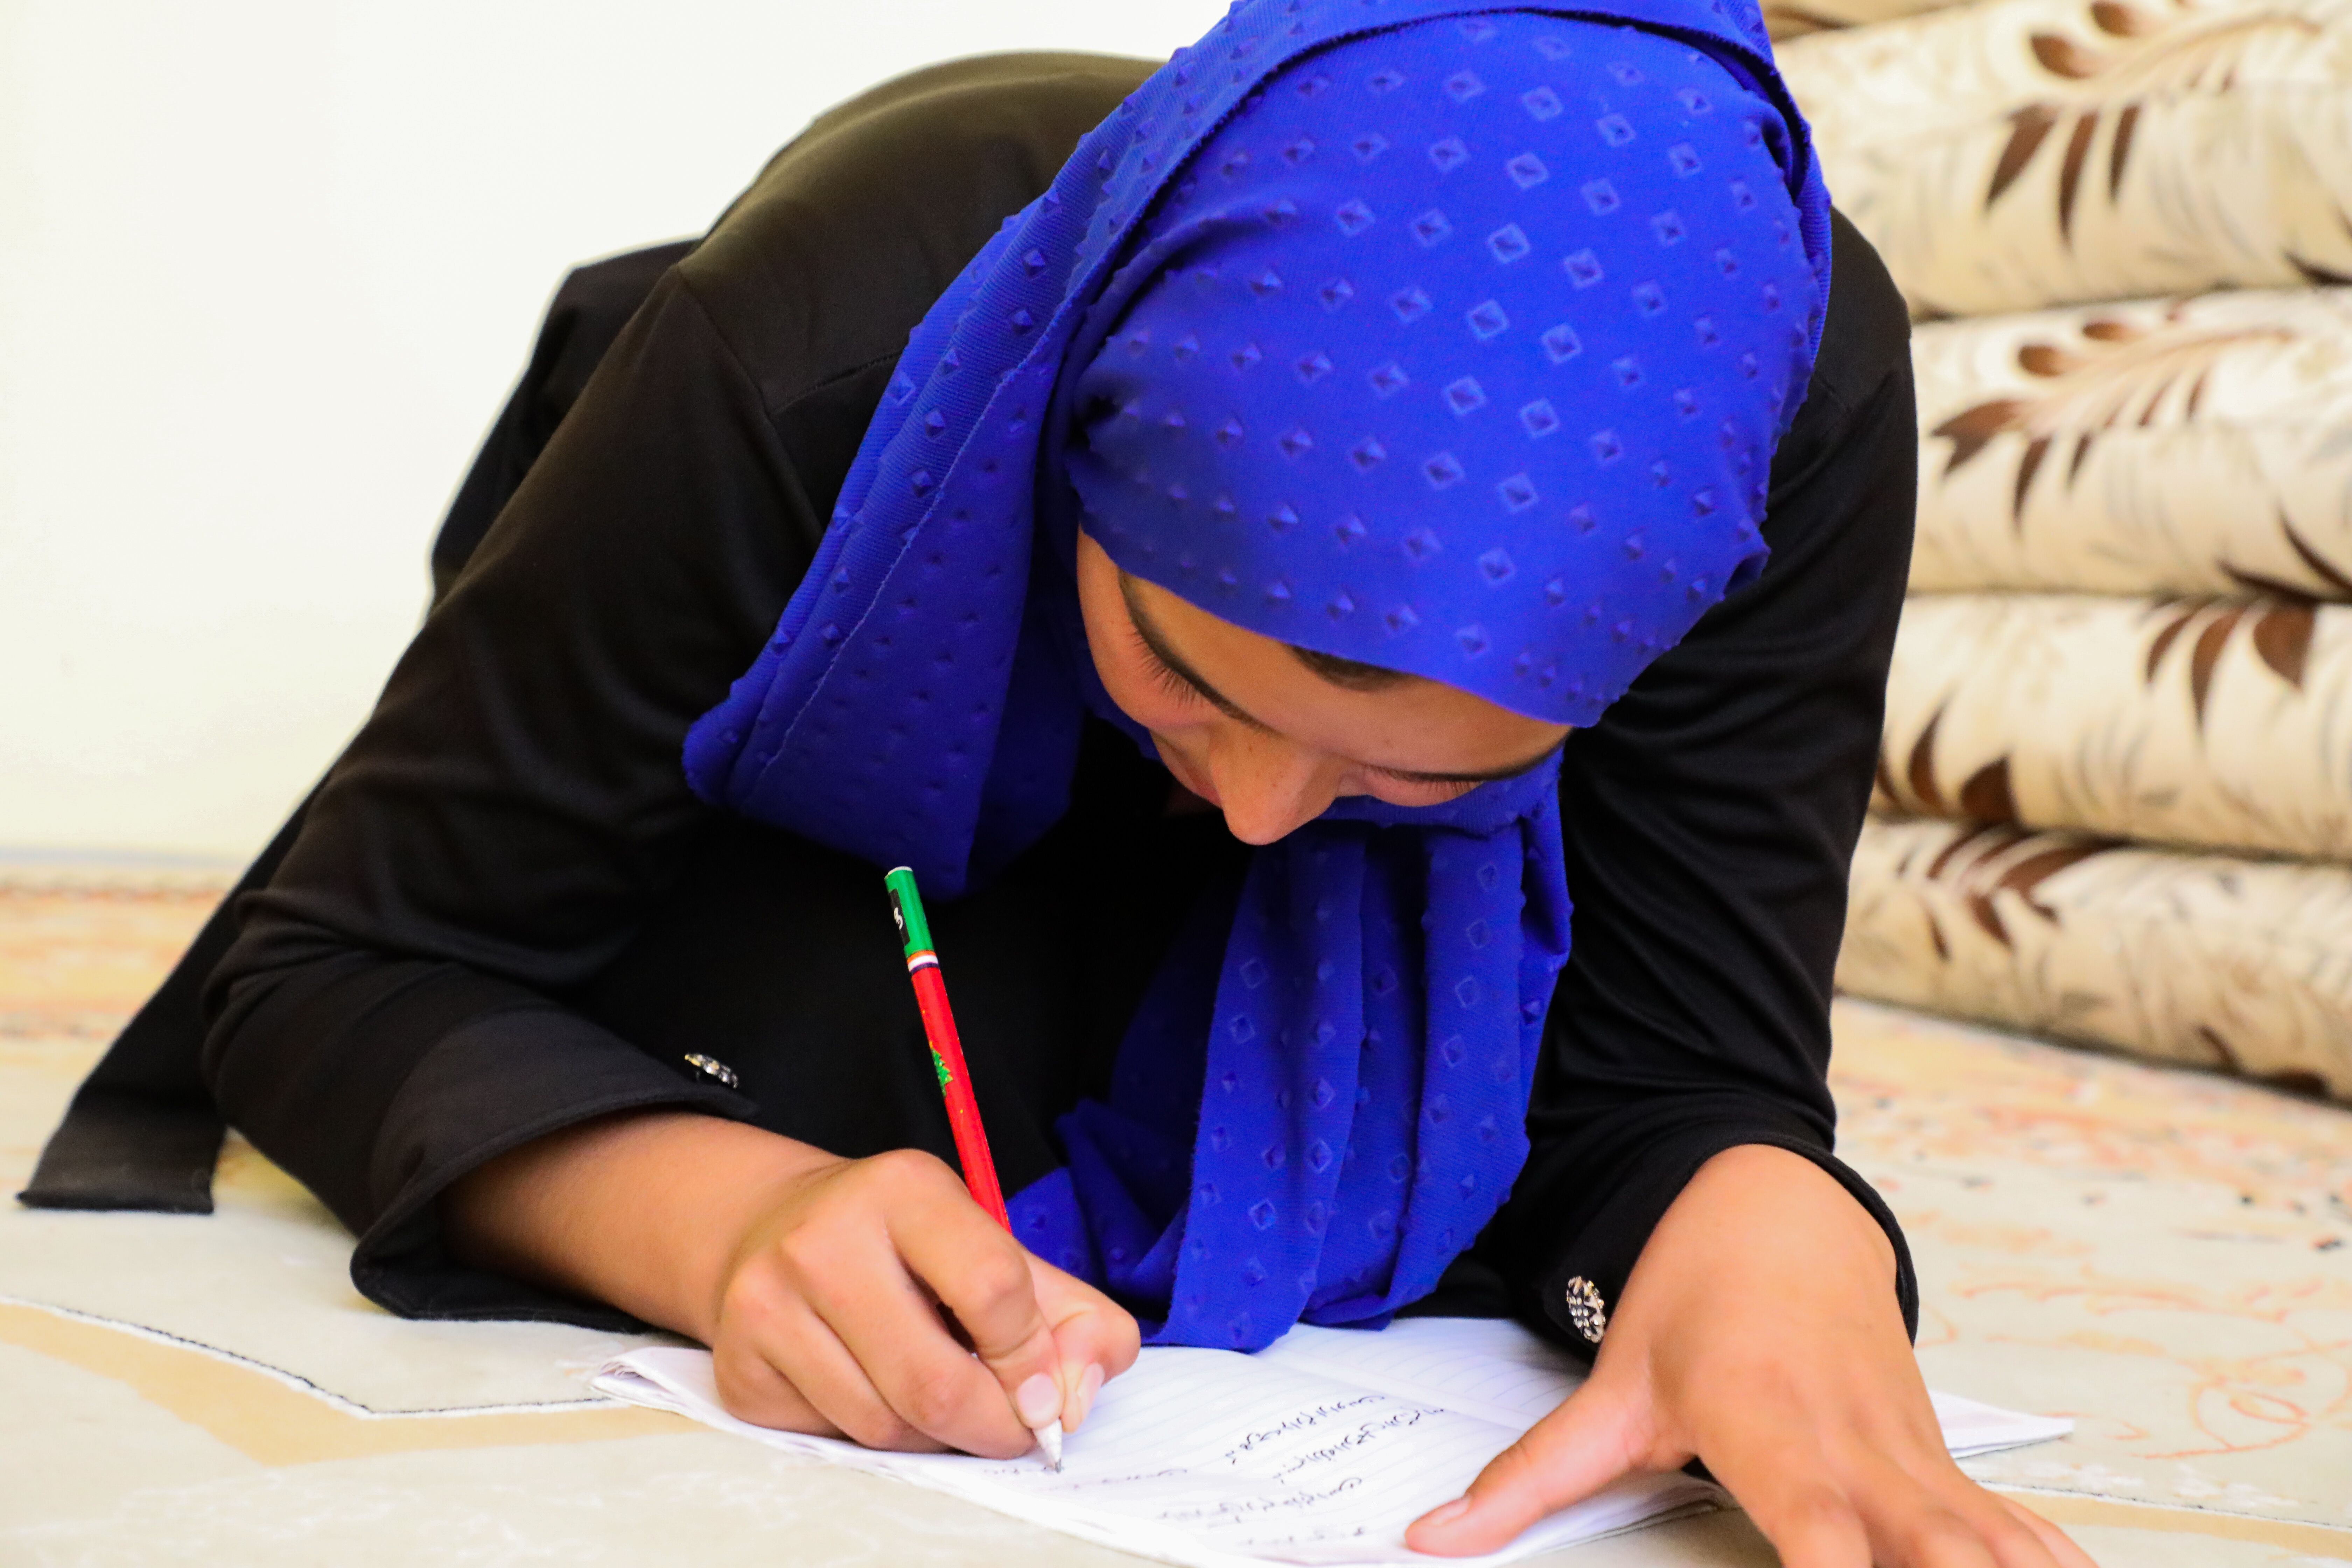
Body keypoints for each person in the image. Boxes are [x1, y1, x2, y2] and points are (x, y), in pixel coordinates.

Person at [32, 2, 2092, 1562]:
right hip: (830, 793)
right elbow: (334, 976)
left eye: (1433, 773)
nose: (1268, 822)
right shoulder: (812, 347)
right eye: (1191, 671)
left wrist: (1758, 1217)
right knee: (822, 1061)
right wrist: (729, 1224)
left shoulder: (1781, 409)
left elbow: (1670, 1064)